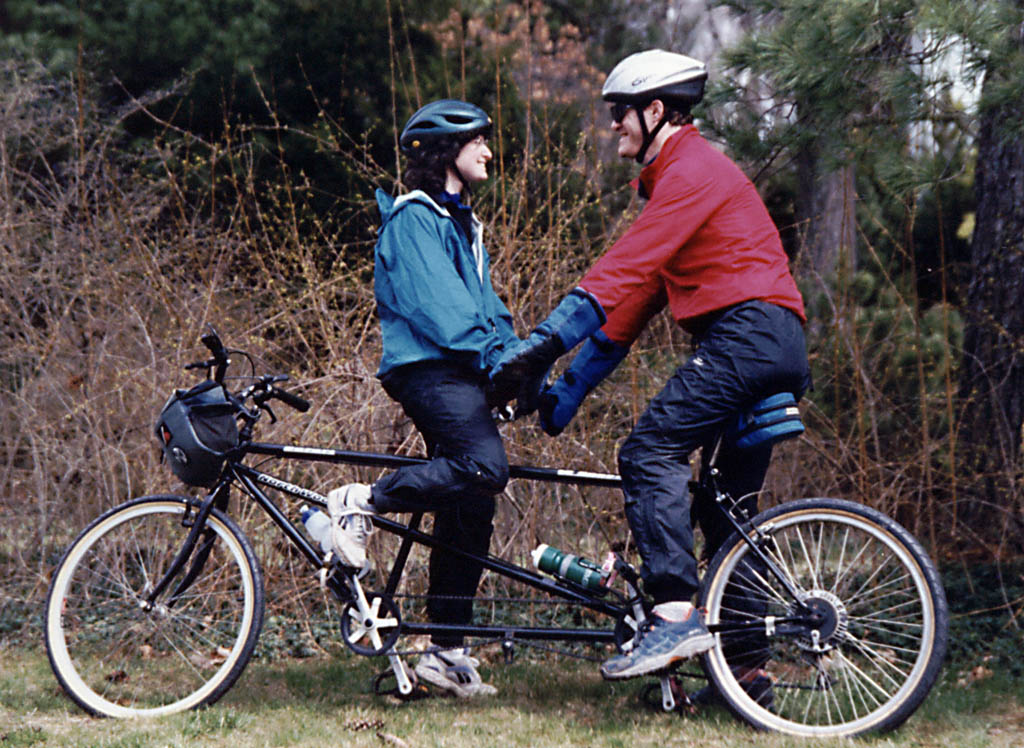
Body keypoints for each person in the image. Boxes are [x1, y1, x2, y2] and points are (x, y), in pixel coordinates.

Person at [489, 49, 810, 682]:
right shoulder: (681, 185)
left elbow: (626, 265)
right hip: (771, 339)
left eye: (620, 114)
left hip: (746, 335)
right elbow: (630, 306)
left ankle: (673, 618)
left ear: (655, 110)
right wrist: (564, 394)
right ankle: (746, 669)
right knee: (727, 510)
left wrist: (545, 340)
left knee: (648, 452)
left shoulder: (691, 172)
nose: (614, 126)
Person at [329, 99, 519, 698]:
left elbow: (489, 312)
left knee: (472, 504)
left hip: (460, 371)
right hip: (429, 370)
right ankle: (362, 502)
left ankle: (445, 653)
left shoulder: (460, 221)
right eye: (480, 142)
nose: (489, 152)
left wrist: (524, 367)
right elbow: (447, 317)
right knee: (484, 467)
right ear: (445, 151)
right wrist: (501, 363)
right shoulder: (415, 219)